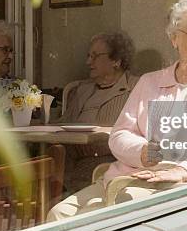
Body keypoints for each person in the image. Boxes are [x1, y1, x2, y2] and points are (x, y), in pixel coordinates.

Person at [47, 0, 187, 221]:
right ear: (174, 38)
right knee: (57, 214)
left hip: (182, 185)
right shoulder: (150, 82)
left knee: (94, 219)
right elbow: (120, 134)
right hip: (128, 175)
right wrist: (143, 152)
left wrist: (183, 171)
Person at [59, 32, 139, 192]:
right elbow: (61, 128)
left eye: (95, 56)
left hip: (108, 163)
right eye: (89, 56)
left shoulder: (135, 88)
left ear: (116, 61)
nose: (88, 62)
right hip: (72, 160)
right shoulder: (81, 90)